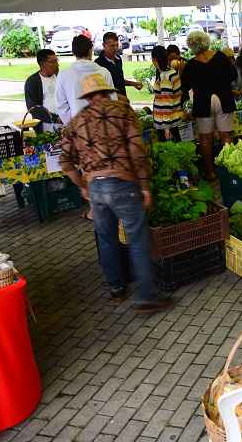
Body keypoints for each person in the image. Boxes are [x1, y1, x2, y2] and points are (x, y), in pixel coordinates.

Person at [59, 73, 171, 313]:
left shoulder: (77, 121)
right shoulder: (123, 111)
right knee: (137, 239)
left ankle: (116, 288)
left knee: (106, 238)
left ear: (87, 96)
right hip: (124, 183)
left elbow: (65, 161)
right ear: (107, 91)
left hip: (96, 188)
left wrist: (82, 185)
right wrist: (144, 186)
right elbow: (137, 151)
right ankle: (146, 296)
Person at [181, 30, 237, 180]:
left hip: (203, 103)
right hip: (223, 99)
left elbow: (185, 86)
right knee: (226, 136)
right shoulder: (220, 56)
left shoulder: (190, 64)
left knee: (206, 139)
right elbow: (233, 75)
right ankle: (228, 169)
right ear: (206, 41)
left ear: (191, 45)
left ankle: (210, 172)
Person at [56, 35, 116, 125]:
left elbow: (62, 107)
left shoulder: (63, 75)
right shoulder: (104, 72)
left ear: (73, 52)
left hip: (77, 129)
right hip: (102, 127)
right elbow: (112, 101)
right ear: (90, 50)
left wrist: (73, 126)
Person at [95, 32, 144, 97]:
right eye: (112, 46)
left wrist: (134, 84)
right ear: (104, 45)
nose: (115, 48)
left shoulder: (118, 59)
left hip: (123, 100)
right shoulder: (98, 63)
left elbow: (119, 80)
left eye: (117, 45)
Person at [151, 46, 184, 142]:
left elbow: (166, 104)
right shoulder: (172, 72)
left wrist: (166, 128)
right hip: (174, 119)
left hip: (166, 123)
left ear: (155, 60)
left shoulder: (165, 77)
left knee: (168, 151)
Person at [24, 49, 61, 131]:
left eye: (57, 60)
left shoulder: (60, 76)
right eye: (53, 62)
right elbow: (33, 108)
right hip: (45, 125)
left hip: (64, 122)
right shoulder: (32, 81)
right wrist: (55, 118)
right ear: (43, 64)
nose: (57, 64)